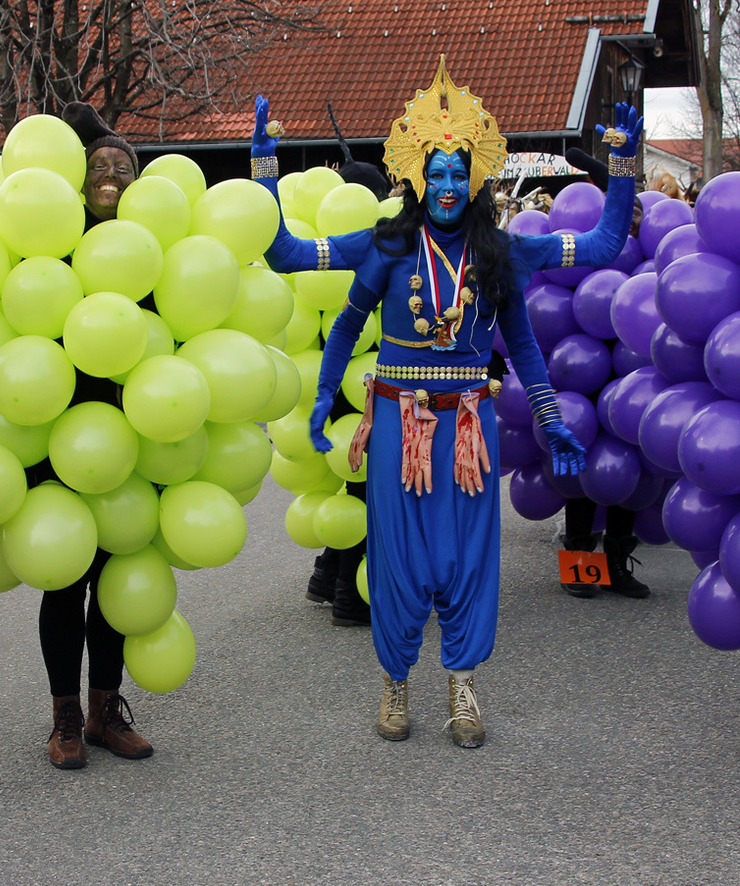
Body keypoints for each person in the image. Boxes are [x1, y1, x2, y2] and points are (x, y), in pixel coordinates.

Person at [258, 56, 640, 748]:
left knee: (466, 557)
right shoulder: (388, 244)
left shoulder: (507, 252)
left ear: (475, 181)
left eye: (458, 174)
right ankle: (395, 681)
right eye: (435, 174)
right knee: (400, 557)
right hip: (397, 424)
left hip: (468, 425)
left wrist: (624, 163)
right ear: (415, 179)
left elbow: (601, 250)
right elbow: (288, 258)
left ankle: (463, 686)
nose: (447, 186)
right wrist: (263, 169)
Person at [31, 101, 154, 770]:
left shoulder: (154, 249)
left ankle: (107, 709)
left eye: (124, 168)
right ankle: (65, 718)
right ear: (78, 181)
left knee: (116, 577)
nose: (111, 174)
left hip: (133, 438)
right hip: (59, 436)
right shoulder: (52, 241)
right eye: (98, 166)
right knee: (64, 579)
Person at [303, 104, 390, 626]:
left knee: (348, 483)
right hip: (366, 386)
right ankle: (350, 597)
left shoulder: (328, 247)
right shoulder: (372, 250)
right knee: (367, 492)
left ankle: (325, 575)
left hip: (330, 384)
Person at [557, 146, 649, 599]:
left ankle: (616, 562)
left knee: (630, 465)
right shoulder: (590, 243)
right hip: (583, 370)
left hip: (632, 372)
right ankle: (578, 563)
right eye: (622, 209)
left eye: (635, 210)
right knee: (581, 465)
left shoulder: (648, 247)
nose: (629, 219)